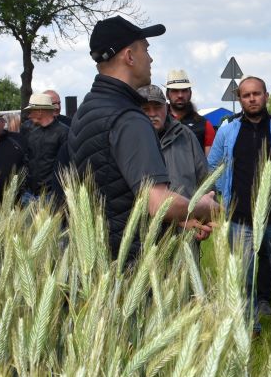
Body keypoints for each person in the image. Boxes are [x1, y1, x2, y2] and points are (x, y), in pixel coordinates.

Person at [67, 16, 217, 260]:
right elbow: (158, 202)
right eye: (146, 49)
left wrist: (180, 218)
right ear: (129, 56)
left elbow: (114, 193)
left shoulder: (86, 110)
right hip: (132, 262)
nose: (151, 58)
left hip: (97, 256)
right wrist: (204, 208)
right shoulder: (129, 118)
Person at [208, 75, 271, 323]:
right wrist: (226, 196)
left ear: (266, 96)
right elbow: (214, 166)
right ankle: (249, 323)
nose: (252, 98)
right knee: (244, 274)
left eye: (257, 93)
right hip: (240, 218)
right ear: (240, 99)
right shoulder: (228, 131)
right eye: (246, 95)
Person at [140, 85, 209, 198]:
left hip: (187, 214)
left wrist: (210, 211)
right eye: (145, 109)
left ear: (166, 108)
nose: (152, 114)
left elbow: (205, 180)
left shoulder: (186, 135)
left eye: (157, 107)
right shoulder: (129, 139)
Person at [25, 92, 70, 201]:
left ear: (40, 111)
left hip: (52, 196)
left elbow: (67, 166)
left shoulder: (64, 132)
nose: (29, 115)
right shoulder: (27, 129)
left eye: (31, 111)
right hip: (28, 195)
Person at [165, 69, 215, 151]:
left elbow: (209, 162)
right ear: (167, 95)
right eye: (175, 91)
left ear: (190, 93)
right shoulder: (159, 123)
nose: (180, 95)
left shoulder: (205, 125)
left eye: (184, 90)